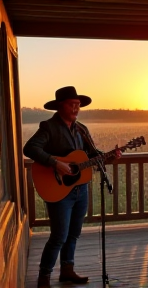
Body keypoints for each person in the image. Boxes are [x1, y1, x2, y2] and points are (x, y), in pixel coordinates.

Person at [23, 86, 121, 288]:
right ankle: (44, 277)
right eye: (72, 104)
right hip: (59, 190)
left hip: (80, 189)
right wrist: (55, 163)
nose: (76, 108)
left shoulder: (82, 129)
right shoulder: (49, 127)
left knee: (74, 233)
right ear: (60, 106)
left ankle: (67, 270)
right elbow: (30, 148)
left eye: (78, 105)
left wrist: (110, 156)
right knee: (59, 235)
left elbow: (91, 156)